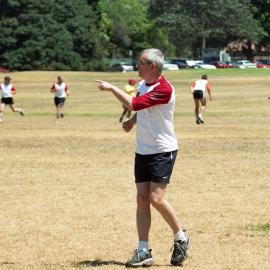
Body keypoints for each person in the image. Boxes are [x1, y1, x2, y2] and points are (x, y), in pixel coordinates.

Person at [96, 48, 189, 267]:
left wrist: (111, 88)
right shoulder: (142, 85)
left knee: (156, 198)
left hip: (162, 150)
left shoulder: (165, 88)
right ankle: (143, 250)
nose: (137, 66)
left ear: (153, 66)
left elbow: (135, 104)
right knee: (141, 199)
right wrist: (133, 121)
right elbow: (143, 108)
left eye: (141, 63)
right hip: (143, 150)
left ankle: (181, 238)